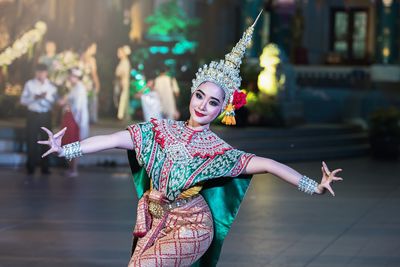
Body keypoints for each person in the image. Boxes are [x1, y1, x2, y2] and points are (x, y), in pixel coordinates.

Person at [38, 12, 343, 267]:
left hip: (193, 227)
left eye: (213, 102)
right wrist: (66, 149)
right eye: (200, 95)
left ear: (223, 109)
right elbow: (114, 139)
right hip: (157, 219)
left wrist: (313, 186)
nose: (202, 105)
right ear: (192, 93)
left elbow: (269, 165)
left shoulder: (219, 153)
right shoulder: (158, 131)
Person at [20, 63, 57, 176]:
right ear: (35, 72)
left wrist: (45, 98)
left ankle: (45, 167)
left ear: (46, 73)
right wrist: (33, 98)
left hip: (45, 115)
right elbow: (22, 100)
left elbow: (55, 102)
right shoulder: (29, 84)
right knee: (31, 140)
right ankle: (30, 166)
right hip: (32, 115)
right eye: (38, 72)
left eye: (43, 72)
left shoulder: (51, 86)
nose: (40, 74)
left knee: (46, 141)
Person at [58, 68, 89, 177]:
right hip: (70, 117)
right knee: (69, 141)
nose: (69, 78)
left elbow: (78, 106)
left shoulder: (79, 88)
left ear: (76, 77)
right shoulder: (75, 87)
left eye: (70, 76)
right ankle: (71, 168)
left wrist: (67, 105)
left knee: (73, 141)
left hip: (74, 118)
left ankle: (74, 169)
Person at [81, 42, 100, 124]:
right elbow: (94, 73)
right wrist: (97, 84)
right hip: (88, 84)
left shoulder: (80, 57)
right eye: (94, 48)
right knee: (91, 101)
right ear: (89, 47)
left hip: (81, 83)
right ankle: (90, 120)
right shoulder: (92, 59)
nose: (95, 50)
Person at [115, 45, 132, 121]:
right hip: (121, 82)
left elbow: (124, 74)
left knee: (123, 99)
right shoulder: (122, 61)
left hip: (123, 82)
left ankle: (121, 116)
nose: (118, 54)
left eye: (119, 52)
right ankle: (123, 116)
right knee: (122, 99)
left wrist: (122, 83)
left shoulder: (125, 62)